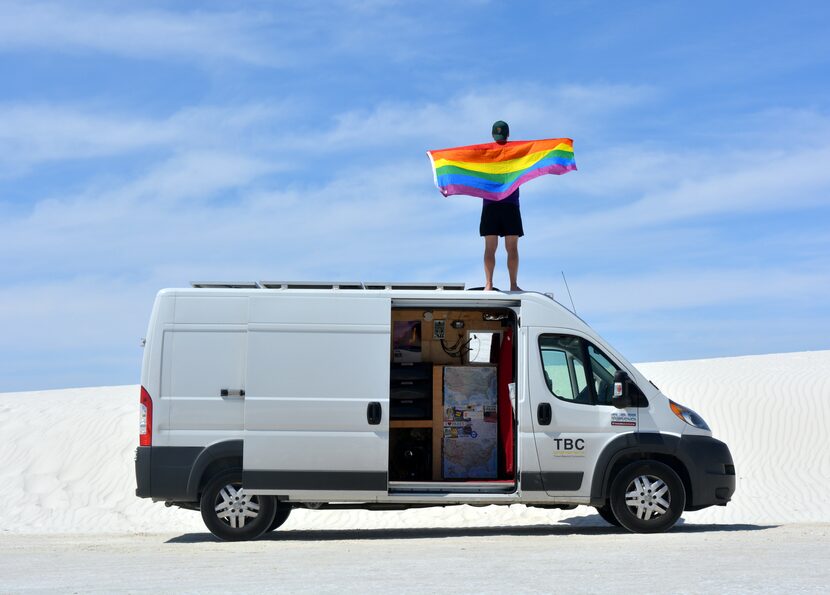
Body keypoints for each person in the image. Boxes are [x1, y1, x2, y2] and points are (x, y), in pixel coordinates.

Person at [481, 120, 523, 291]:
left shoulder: (483, 154)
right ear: (508, 135)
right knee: (511, 248)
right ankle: (513, 285)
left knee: (490, 248)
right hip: (510, 204)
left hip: (490, 204)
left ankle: (488, 284)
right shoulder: (517, 153)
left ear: (493, 135)